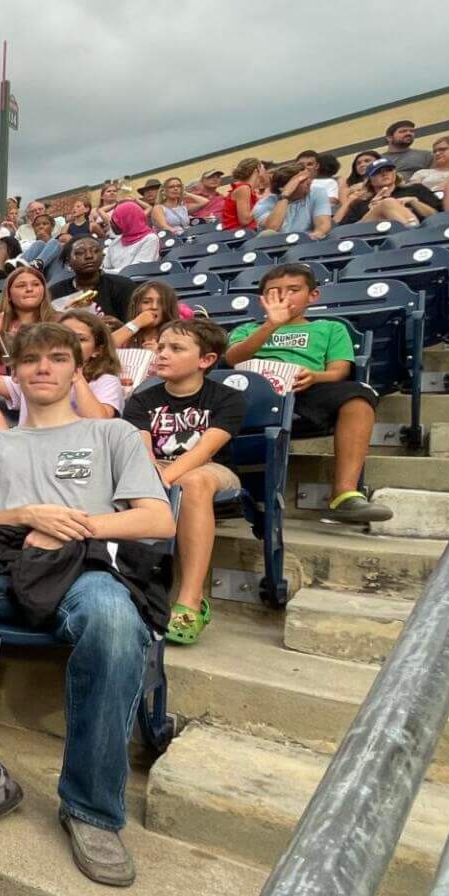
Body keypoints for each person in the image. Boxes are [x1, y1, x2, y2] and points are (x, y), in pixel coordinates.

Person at [0, 323, 173, 885]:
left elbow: (159, 518)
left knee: (113, 619)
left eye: (57, 358)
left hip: (86, 567)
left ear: (76, 370)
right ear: (13, 372)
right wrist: (27, 514)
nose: (43, 367)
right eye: (31, 359)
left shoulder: (111, 436)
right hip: (7, 566)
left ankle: (91, 809)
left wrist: (73, 526)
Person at [225, 263, 393, 524]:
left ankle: (345, 495)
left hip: (307, 390)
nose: (283, 297)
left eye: (293, 290)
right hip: (258, 395)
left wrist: (315, 376)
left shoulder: (330, 328)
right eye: (274, 292)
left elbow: (339, 370)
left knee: (359, 397)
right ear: (262, 300)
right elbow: (234, 358)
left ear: (312, 296)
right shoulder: (248, 330)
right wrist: (271, 325)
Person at [122, 319, 245, 646]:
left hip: (212, 469)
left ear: (206, 360)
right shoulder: (140, 400)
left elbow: (206, 449)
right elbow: (141, 449)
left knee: (193, 481)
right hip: (156, 468)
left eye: (176, 348)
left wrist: (163, 478)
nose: (162, 354)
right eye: (161, 347)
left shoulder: (227, 398)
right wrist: (152, 477)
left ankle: (191, 599)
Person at [47, 237, 138, 321]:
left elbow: (136, 323)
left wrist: (119, 325)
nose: (89, 256)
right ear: (68, 262)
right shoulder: (55, 291)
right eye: (80, 253)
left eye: (95, 251)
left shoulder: (123, 286)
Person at [102, 199, 161, 271]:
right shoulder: (117, 241)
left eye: (117, 220)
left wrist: (105, 273)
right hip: (115, 279)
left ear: (128, 220)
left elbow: (136, 270)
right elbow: (106, 266)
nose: (113, 223)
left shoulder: (150, 239)